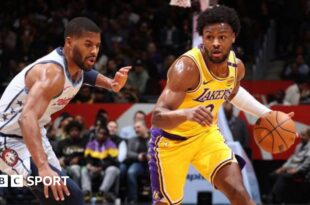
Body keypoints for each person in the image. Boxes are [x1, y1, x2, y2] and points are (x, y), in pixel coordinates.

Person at [149, 5, 294, 205]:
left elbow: (233, 93)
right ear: (202, 38)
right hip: (171, 142)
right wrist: (186, 114)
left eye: (222, 37)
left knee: (239, 193)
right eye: (209, 37)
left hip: (206, 137)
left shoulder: (237, 67)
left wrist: (267, 113)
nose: (215, 43)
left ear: (233, 36)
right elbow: (157, 117)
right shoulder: (187, 68)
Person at [0, 17, 130, 205]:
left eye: (97, 46)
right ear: (69, 42)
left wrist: (112, 84)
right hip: (8, 139)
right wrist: (43, 166)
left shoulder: (76, 67)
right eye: (87, 44)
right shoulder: (53, 73)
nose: (94, 51)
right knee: (69, 195)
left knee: (55, 196)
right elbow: (26, 118)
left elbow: (88, 76)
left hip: (33, 134)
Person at [264, 128, 310, 204]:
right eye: (301, 134)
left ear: (309, 136)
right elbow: (291, 159)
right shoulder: (299, 146)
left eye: (303, 135)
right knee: (273, 175)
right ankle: (274, 197)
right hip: (290, 169)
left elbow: (307, 163)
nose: (301, 137)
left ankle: (272, 199)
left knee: (283, 177)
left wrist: (297, 170)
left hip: (301, 172)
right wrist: (283, 167)